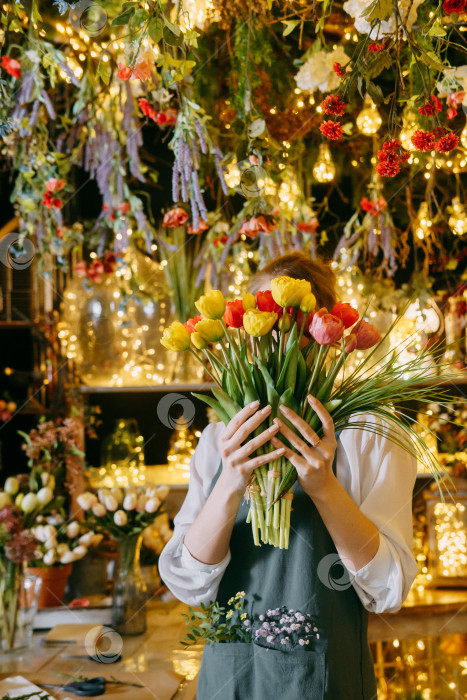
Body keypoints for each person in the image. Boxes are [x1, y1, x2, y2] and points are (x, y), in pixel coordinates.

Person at [159, 252, 418, 699]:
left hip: (325, 681)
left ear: (325, 331)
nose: (278, 337)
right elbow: (188, 583)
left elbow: (388, 589)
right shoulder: (222, 437)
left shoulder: (372, 437)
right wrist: (230, 482)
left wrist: (324, 487)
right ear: (242, 331)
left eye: (292, 322)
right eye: (262, 317)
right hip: (229, 680)